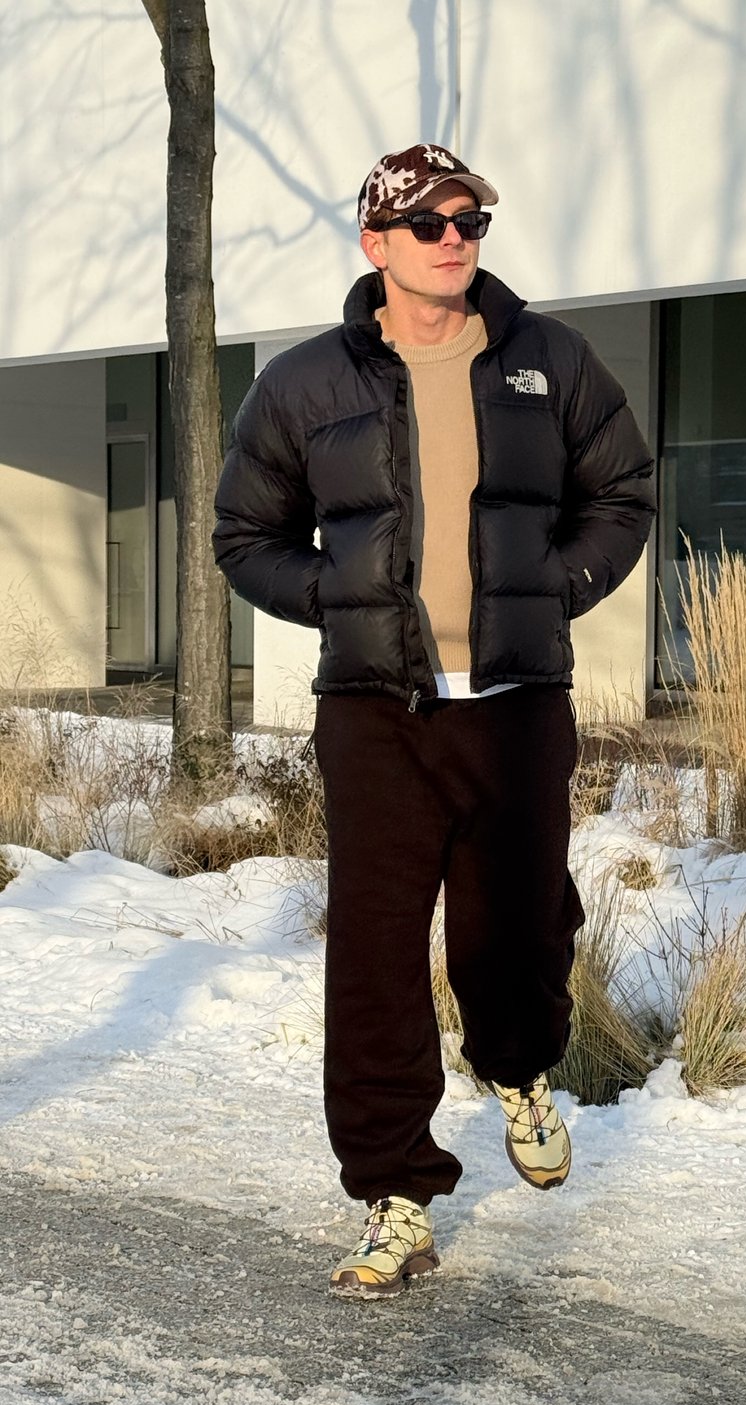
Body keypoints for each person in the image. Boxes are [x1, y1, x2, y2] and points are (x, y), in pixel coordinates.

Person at [213, 143, 655, 1299]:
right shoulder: (306, 384)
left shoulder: (547, 361)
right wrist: (334, 599)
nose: (455, 238)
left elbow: (620, 491)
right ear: (376, 245)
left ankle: (516, 1069)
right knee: (373, 956)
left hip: (515, 705)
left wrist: (556, 586)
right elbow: (243, 535)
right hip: (376, 714)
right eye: (429, 223)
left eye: (469, 221)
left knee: (513, 928)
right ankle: (394, 1195)